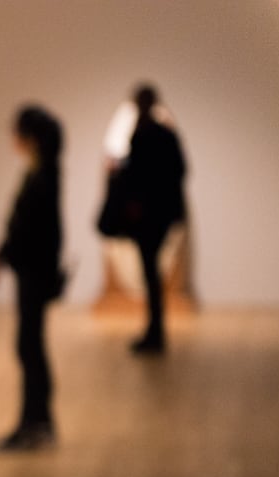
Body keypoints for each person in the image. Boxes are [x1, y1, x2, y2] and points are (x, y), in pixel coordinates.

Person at [0, 105, 65, 451]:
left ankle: (34, 423)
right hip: (34, 271)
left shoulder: (42, 177)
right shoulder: (44, 173)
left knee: (29, 346)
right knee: (30, 345)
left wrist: (2, 255)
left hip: (33, 273)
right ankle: (39, 421)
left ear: (29, 137)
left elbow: (28, 229)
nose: (12, 139)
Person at [120, 84, 187, 354]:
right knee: (151, 272)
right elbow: (181, 170)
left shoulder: (143, 135)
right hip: (162, 213)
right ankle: (155, 331)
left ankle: (155, 332)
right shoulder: (165, 134)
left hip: (147, 216)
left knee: (150, 272)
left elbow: (137, 177)